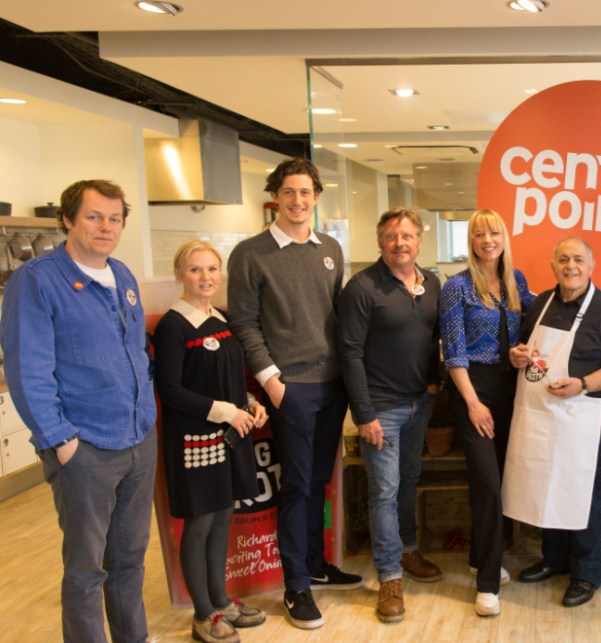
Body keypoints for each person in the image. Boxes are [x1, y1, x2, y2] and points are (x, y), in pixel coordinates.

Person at [0, 179, 157, 642]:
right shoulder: (36, 281)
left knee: (129, 559)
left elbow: (134, 352)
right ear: (67, 220)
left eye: (115, 219)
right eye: (94, 217)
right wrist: (60, 439)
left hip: (137, 438)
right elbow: (28, 370)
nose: (106, 227)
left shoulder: (121, 275)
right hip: (85, 446)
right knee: (87, 570)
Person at [227, 158, 360, 630]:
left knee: (319, 481)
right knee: (298, 486)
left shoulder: (331, 249)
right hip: (290, 388)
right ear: (275, 197)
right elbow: (243, 322)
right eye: (289, 192)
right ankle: (296, 585)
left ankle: (316, 565)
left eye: (305, 193)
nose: (298, 201)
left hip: (332, 384)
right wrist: (271, 382)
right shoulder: (251, 253)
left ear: (316, 197)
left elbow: (338, 314)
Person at [507, 237, 601, 607]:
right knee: (546, 484)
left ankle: (587, 572)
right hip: (544, 415)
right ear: (553, 266)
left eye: (578, 259)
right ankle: (555, 558)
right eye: (563, 259)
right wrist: (518, 355)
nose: (571, 266)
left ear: (591, 266)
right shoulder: (542, 304)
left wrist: (584, 383)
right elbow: (527, 348)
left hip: (585, 417)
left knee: (584, 494)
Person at [154, 240, 268, 643]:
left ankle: (222, 600)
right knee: (200, 522)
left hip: (227, 437)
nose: (205, 277)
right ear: (179, 275)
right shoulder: (173, 326)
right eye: (195, 270)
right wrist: (226, 411)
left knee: (222, 517)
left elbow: (227, 378)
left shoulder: (219, 317)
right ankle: (203, 613)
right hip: (194, 441)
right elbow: (170, 390)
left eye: (212, 269)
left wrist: (249, 403)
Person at [338, 207, 443, 624]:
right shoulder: (362, 287)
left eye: (407, 236)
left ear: (419, 241)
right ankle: (389, 576)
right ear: (380, 241)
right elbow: (349, 353)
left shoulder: (431, 283)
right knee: (383, 490)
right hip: (381, 409)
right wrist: (363, 413)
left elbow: (434, 338)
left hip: (420, 403)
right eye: (392, 236)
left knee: (409, 480)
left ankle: (408, 550)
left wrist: (433, 382)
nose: (400, 243)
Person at [439, 208, 536, 617]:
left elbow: (537, 319)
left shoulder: (517, 282)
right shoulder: (456, 287)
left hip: (510, 390)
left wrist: (521, 351)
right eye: (479, 234)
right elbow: (454, 353)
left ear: (503, 237)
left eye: (493, 232)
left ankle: (480, 557)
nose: (487, 240)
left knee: (502, 480)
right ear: (471, 241)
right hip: (472, 391)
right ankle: (487, 584)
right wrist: (473, 403)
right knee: (488, 485)